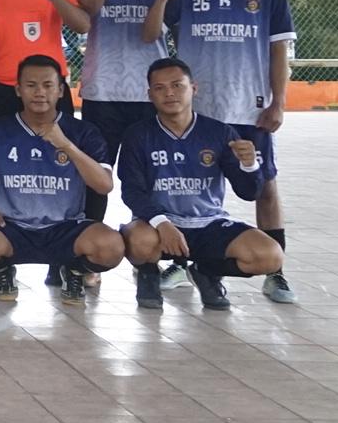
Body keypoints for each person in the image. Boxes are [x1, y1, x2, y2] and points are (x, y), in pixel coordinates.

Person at [147, 0, 299, 303]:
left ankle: (277, 271)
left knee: (264, 184)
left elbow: (279, 49)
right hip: (195, 112)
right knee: (181, 185)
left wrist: (278, 101)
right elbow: (154, 33)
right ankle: (179, 262)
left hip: (249, 108)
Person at [119, 58, 284, 310]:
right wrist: (162, 222)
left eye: (177, 85)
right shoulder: (138, 134)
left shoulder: (219, 132)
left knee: (270, 256)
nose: (170, 93)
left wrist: (250, 166)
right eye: (160, 88)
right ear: (149, 94)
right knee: (136, 240)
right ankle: (148, 275)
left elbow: (249, 192)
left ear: (193, 88)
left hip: (209, 223)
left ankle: (206, 271)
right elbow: (131, 191)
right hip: (160, 225)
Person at [0, 55, 123, 305]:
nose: (39, 92)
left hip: (66, 229)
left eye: (47, 85)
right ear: (18, 90)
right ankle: (2, 272)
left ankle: (74, 271)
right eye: (31, 85)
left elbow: (104, 185)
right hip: (12, 229)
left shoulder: (83, 132)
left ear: (60, 91)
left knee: (111, 246)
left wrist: (66, 145)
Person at [71, 0, 183, 238]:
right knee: (95, 176)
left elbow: (157, 34)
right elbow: (86, 11)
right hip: (102, 91)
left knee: (148, 176)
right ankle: (87, 252)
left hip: (149, 95)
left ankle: (148, 254)